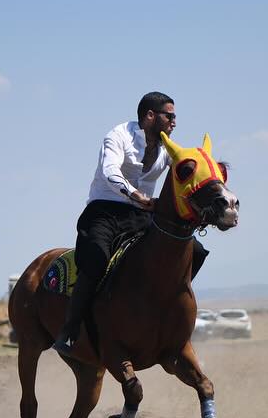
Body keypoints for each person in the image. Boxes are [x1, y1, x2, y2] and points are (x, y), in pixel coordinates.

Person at [53, 91, 210, 357]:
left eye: (175, 117)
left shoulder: (167, 148)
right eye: (169, 116)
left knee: (194, 250)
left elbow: (189, 168)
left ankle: (165, 313)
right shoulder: (118, 136)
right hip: (104, 211)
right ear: (150, 116)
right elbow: (109, 171)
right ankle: (70, 331)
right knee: (97, 260)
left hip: (142, 215)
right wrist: (135, 194)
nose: (174, 122)